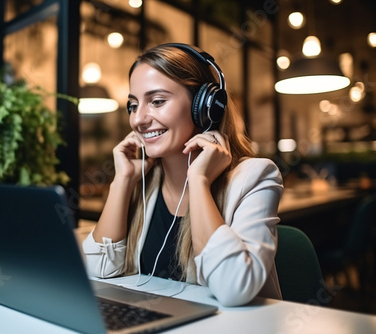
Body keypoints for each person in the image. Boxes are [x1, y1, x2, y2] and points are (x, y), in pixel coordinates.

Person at [82, 43, 283, 307]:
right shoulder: (144, 182)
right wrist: (123, 180)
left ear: (206, 107)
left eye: (157, 101)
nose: (138, 119)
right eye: (133, 105)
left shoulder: (255, 177)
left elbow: (233, 288)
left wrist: (199, 180)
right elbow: (99, 269)